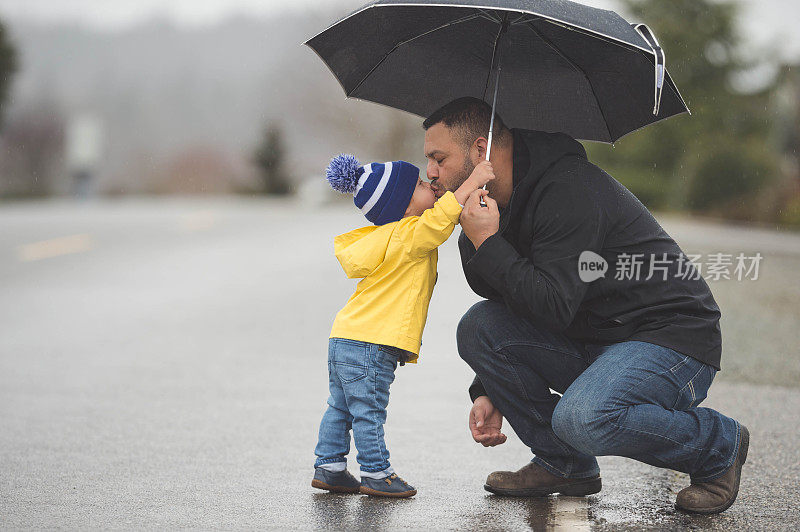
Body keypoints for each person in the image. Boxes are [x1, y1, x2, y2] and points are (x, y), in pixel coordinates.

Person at [423, 97, 748, 514]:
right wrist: (491, 387)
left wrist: (487, 241)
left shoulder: (569, 189)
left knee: (583, 418)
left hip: (670, 338)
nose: (430, 172)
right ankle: (565, 463)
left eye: (438, 158)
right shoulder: (491, 205)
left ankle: (718, 445)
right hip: (598, 336)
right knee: (479, 327)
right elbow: (508, 299)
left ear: (480, 151)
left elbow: (552, 306)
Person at [312, 153, 494, 498]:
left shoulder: (388, 236)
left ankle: (330, 466)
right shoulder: (409, 234)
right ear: (406, 206)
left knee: (341, 406)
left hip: (345, 336)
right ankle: (377, 473)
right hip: (371, 342)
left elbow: (441, 217)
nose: (431, 185)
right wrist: (474, 180)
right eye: (422, 185)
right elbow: (441, 220)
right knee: (368, 410)